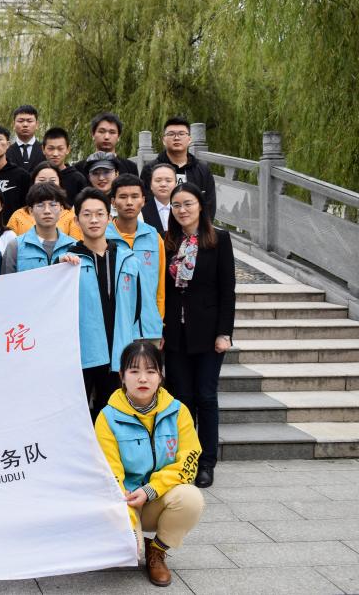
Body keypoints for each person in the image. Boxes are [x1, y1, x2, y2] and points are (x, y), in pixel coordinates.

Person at [95, 340, 204, 588]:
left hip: (158, 497)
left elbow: (188, 461)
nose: (142, 378)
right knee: (127, 552)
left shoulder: (178, 412)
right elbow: (109, 471)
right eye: (134, 371)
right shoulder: (107, 417)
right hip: (124, 500)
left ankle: (157, 550)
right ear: (122, 376)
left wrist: (151, 490)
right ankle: (134, 541)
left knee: (191, 498)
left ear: (161, 376)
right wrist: (128, 518)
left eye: (151, 371)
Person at [163, 182, 235, 489]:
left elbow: (227, 290)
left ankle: (206, 462)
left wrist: (224, 333)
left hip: (208, 333)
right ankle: (185, 459)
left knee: (205, 396)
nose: (182, 210)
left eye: (188, 204)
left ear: (201, 206)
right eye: (176, 205)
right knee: (182, 398)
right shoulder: (167, 241)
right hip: (175, 333)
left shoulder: (219, 239)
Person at [70, 187, 154, 419]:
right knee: (80, 418)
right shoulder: (68, 261)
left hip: (119, 352)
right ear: (76, 220)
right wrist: (61, 266)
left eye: (100, 214)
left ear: (109, 218)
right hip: (83, 354)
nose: (94, 220)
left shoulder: (128, 259)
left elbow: (137, 308)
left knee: (113, 416)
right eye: (87, 214)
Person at [107, 174, 166, 333]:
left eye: (135, 196)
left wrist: (158, 322)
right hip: (114, 328)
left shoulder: (154, 237)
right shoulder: (103, 238)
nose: (129, 202)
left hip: (149, 328)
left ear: (143, 200)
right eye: (123, 197)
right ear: (113, 202)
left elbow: (160, 286)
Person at [141, 116, 217, 219]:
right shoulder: (150, 169)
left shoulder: (202, 170)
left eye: (181, 134)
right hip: (159, 226)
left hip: (194, 227)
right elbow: (146, 202)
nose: (176, 138)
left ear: (189, 139)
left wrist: (200, 227)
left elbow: (209, 205)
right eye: (171, 134)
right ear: (163, 140)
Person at [2, 183, 78, 274]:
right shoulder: (15, 246)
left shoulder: (74, 246)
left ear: (61, 209)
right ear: (31, 211)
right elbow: (7, 281)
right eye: (40, 205)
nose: (47, 211)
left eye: (53, 205)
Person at [7, 163, 82, 239]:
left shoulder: (70, 217)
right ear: (33, 183)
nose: (47, 184)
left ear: (60, 183)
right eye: (42, 180)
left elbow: (76, 243)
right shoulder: (18, 216)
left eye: (52, 181)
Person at [42, 126, 88, 204]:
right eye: (51, 149)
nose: (55, 154)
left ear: (68, 149)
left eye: (60, 149)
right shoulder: (38, 176)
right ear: (43, 149)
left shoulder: (77, 178)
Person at [5, 105, 45, 171]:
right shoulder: (6, 151)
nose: (25, 125)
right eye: (20, 121)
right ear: (13, 124)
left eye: (29, 121)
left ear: (37, 125)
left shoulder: (45, 150)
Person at [142, 163, 177, 233]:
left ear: (176, 184)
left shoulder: (184, 210)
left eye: (168, 180)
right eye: (158, 180)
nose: (163, 184)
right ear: (151, 185)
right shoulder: (141, 211)